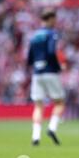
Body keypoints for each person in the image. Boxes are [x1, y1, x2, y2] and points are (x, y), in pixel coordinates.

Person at [27, 9, 66, 146]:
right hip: (50, 71)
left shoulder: (34, 36)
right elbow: (51, 52)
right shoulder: (52, 34)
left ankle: (35, 137)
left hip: (37, 74)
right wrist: (58, 66)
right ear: (50, 19)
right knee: (59, 102)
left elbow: (29, 58)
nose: (56, 22)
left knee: (38, 105)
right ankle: (52, 128)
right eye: (55, 19)